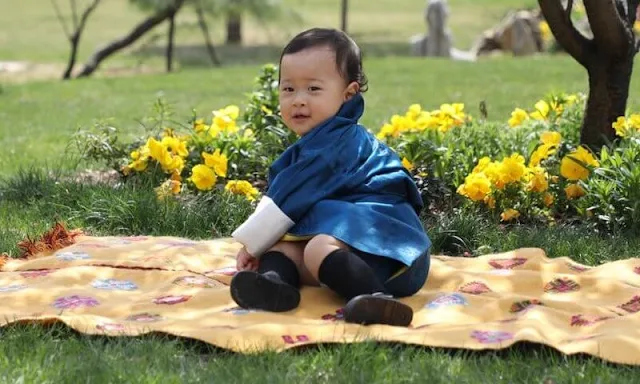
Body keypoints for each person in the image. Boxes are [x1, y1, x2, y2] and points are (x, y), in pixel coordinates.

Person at [229, 27, 432, 327]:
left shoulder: (337, 144)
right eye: (288, 89)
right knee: (283, 246)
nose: (298, 100)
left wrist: (252, 243)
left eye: (313, 89)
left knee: (317, 247)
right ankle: (274, 286)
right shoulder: (320, 140)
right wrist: (264, 246)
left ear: (348, 94)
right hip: (356, 245)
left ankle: (376, 299)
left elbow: (290, 197)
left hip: (390, 246)